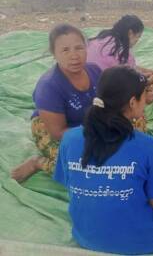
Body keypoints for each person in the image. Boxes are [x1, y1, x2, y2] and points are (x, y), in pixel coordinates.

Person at [53, 66, 153, 255]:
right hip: (143, 242)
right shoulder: (149, 146)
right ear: (133, 102)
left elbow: (69, 184)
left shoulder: (69, 139)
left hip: (86, 237)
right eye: (145, 95)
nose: (147, 100)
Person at [10, 24, 102, 182]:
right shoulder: (49, 86)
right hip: (54, 130)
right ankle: (38, 163)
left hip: (87, 124)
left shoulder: (94, 70)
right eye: (65, 50)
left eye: (79, 48)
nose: (74, 56)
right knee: (84, 171)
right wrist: (97, 132)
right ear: (54, 54)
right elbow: (58, 133)